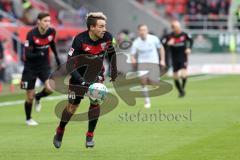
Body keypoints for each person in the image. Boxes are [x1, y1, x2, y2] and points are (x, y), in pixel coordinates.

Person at [53, 12, 117, 149]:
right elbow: (70, 64)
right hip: (78, 76)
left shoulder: (107, 38)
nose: (104, 29)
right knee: (72, 107)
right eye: (101, 26)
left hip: (96, 75)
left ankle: (90, 135)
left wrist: (114, 70)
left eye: (104, 26)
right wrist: (81, 81)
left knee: (96, 101)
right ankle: (60, 130)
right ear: (91, 28)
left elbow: (111, 54)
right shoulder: (79, 40)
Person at [21, 12, 61, 126]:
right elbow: (27, 55)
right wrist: (40, 53)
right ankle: (28, 119)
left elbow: (52, 43)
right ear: (39, 21)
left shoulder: (51, 32)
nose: (48, 23)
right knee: (29, 96)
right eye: (45, 21)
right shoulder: (31, 34)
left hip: (44, 66)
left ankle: (38, 97)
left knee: (50, 88)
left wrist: (57, 58)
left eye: (49, 21)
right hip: (30, 67)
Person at [131, 24, 165, 108]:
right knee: (143, 81)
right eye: (141, 30)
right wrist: (133, 59)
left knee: (154, 83)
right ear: (138, 31)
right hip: (142, 63)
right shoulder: (136, 42)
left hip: (153, 62)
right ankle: (147, 101)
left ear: (147, 30)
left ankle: (154, 80)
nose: (143, 32)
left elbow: (161, 48)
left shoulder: (154, 39)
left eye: (144, 30)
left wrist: (162, 60)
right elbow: (132, 54)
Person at [161, 20, 193, 98]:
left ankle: (182, 88)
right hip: (174, 58)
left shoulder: (184, 34)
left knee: (184, 74)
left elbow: (191, 40)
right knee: (175, 76)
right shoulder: (168, 37)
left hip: (183, 57)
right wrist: (168, 44)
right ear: (173, 28)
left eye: (179, 27)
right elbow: (162, 45)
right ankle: (180, 91)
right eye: (177, 27)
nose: (179, 29)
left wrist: (189, 48)